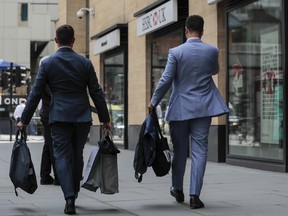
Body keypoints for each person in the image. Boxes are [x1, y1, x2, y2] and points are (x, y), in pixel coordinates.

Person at [17, 24, 112, 215]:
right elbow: (96, 92)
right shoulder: (85, 63)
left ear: (56, 40)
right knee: (77, 154)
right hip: (82, 117)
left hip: (59, 116)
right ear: (74, 40)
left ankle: (69, 197)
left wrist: (24, 120)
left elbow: (35, 94)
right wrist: (105, 118)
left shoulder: (48, 63)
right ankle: (74, 192)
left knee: (61, 155)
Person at [148, 15, 229, 209]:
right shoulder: (212, 50)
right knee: (200, 151)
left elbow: (165, 80)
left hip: (180, 109)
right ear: (202, 31)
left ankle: (177, 188)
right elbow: (215, 71)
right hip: (203, 108)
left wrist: (153, 102)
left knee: (180, 151)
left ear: (186, 30)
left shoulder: (176, 52)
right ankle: (195, 196)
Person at [38, 56, 59, 186]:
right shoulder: (45, 79)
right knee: (53, 146)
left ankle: (45, 176)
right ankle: (58, 176)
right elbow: (54, 95)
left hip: (47, 115)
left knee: (48, 145)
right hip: (50, 116)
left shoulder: (44, 78)